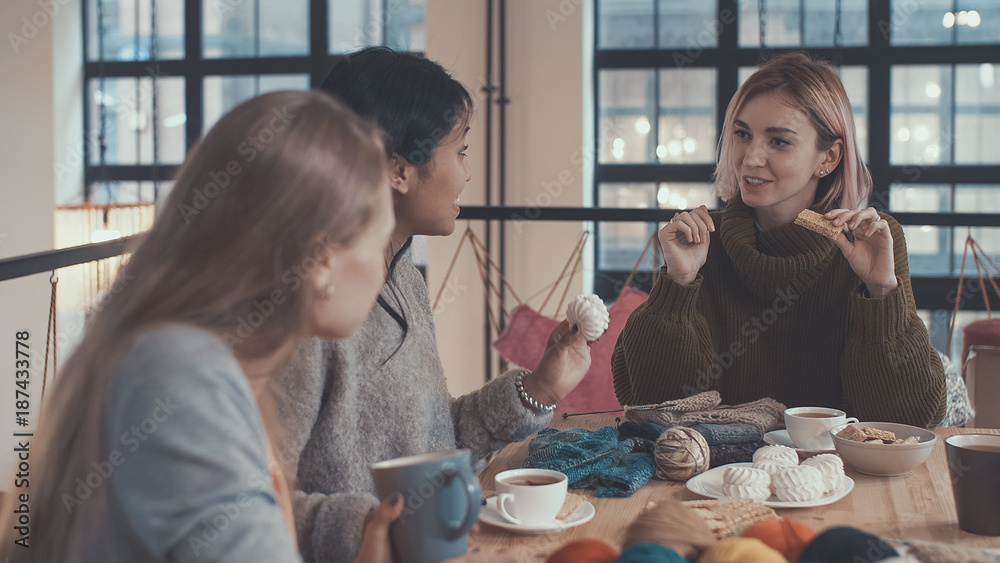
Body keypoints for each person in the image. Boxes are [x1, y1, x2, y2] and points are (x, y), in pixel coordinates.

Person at [0, 91, 490, 563]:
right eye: (379, 236)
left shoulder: (199, 362)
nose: (388, 264)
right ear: (320, 259)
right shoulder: (181, 381)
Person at [270, 47, 593, 562]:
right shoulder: (305, 303)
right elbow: (258, 501)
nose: (467, 173)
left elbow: (433, 445)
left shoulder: (405, 282)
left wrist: (539, 388)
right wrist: (372, 529)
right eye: (461, 150)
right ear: (399, 170)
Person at [611, 52, 946, 429]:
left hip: (835, 475)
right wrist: (679, 283)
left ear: (829, 156)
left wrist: (882, 291)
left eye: (779, 142)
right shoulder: (704, 241)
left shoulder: (871, 240)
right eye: (742, 135)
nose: (750, 158)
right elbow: (652, 404)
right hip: (717, 473)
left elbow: (910, 421)